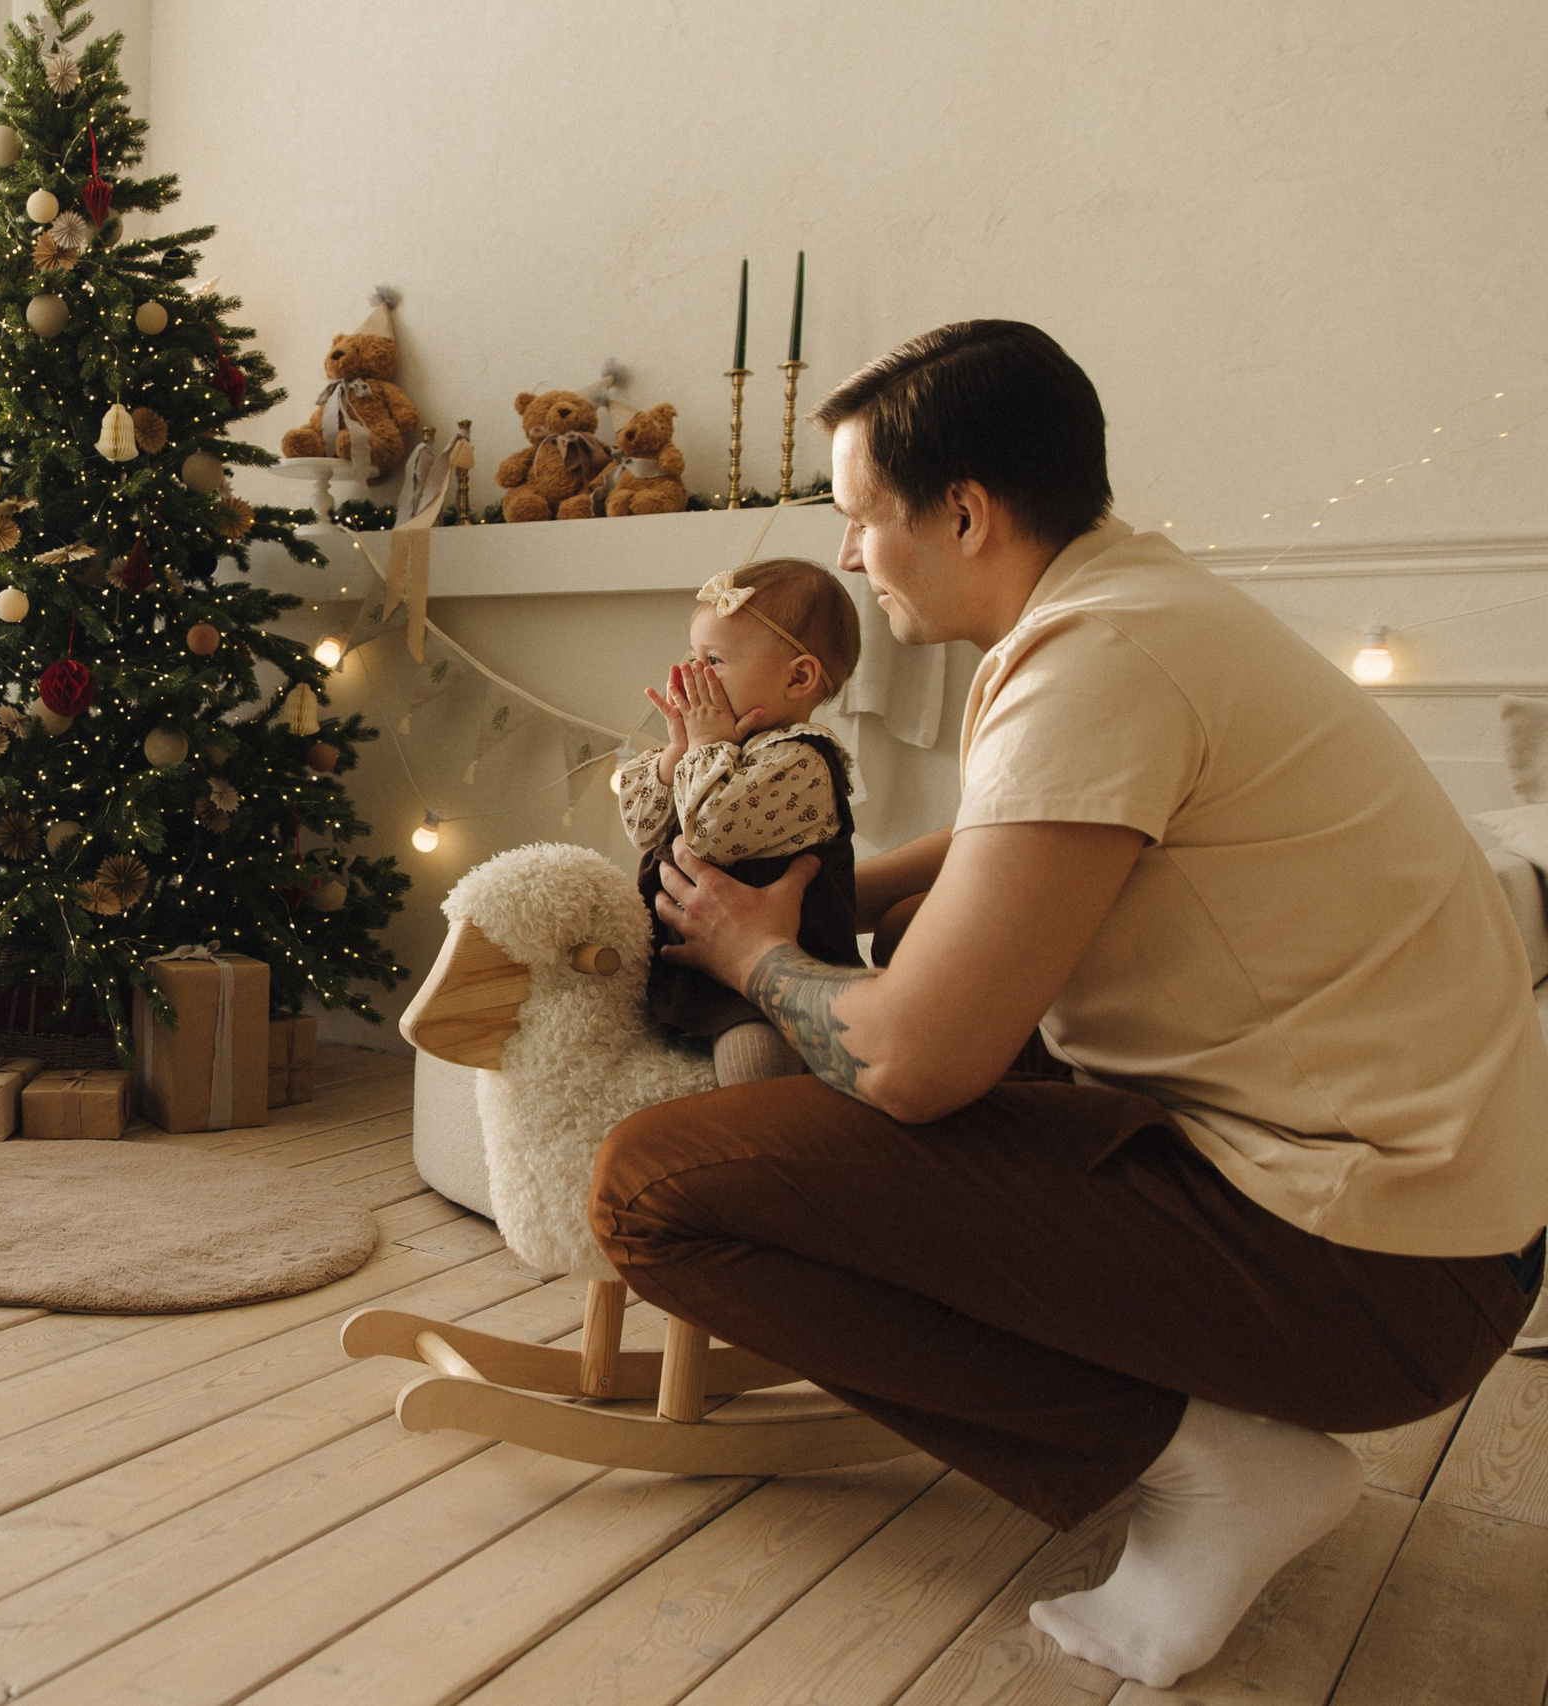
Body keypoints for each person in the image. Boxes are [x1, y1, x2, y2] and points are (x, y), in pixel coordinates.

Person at [591, 320, 1548, 1690]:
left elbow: (914, 1061)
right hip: (1430, 1234)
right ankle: (1198, 1440)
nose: (852, 556)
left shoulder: (1099, 662)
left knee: (651, 1193)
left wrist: (753, 956)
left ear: (965, 511)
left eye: (862, 519)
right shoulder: (1129, 611)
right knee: (921, 957)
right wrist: (819, 900)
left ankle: (1216, 1468)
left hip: (1377, 1274)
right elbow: (1008, 865)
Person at [617, 559, 864, 1084]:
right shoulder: (721, 750)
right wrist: (674, 755)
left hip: (764, 984)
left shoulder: (799, 760)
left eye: (715, 660)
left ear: (798, 677)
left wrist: (705, 746)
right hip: (689, 965)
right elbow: (645, 826)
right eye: (692, 655)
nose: (690, 675)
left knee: (754, 1058)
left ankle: (755, 1147)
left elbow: (710, 834)